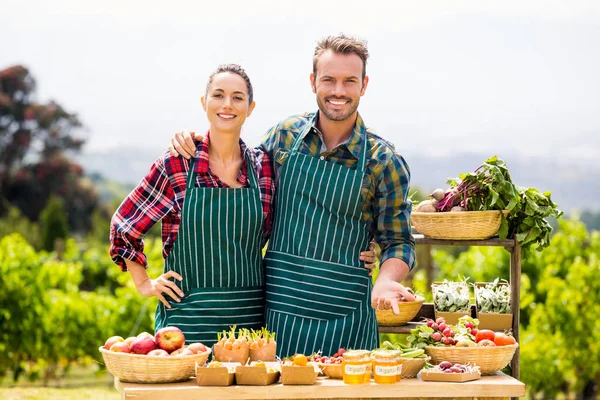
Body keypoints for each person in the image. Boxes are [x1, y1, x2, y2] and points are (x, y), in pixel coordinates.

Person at [169, 34, 416, 357]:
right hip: (280, 317)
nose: (338, 91)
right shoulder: (285, 137)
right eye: (329, 79)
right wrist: (194, 139)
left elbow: (399, 241)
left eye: (349, 81)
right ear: (313, 82)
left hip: (348, 320)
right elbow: (234, 165)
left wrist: (385, 279)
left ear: (364, 85)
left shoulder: (383, 161)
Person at [109, 64, 275, 348]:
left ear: (251, 107)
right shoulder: (177, 164)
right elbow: (125, 226)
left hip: (249, 331)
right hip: (186, 328)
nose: (227, 104)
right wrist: (144, 284)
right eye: (218, 95)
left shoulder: (264, 168)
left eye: (237, 97)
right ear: (204, 103)